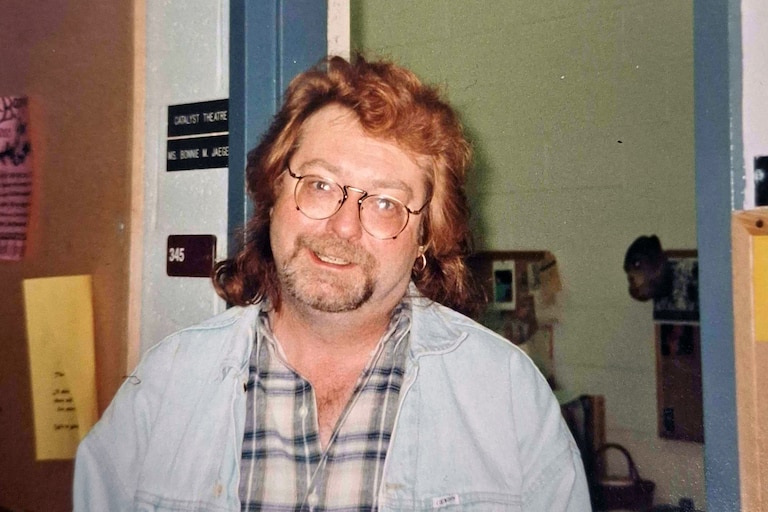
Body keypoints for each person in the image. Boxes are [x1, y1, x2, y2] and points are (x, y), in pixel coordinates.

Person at [74, 55, 589, 511]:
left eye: (385, 203)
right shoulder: (165, 386)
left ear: (426, 239)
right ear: (273, 195)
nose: (343, 227)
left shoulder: (508, 398)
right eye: (320, 184)